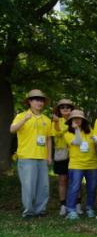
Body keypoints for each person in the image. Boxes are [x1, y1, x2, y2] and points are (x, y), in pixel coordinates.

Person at [10, 89, 53, 218]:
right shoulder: (21, 116)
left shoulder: (47, 119)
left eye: (41, 100)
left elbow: (48, 139)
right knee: (28, 186)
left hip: (42, 157)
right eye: (36, 100)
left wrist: (49, 156)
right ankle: (28, 211)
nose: (40, 102)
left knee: (43, 186)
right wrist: (24, 119)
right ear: (29, 101)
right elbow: (12, 129)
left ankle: (40, 210)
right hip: (26, 156)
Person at [63, 110, 97, 219]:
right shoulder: (67, 133)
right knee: (74, 187)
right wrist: (77, 129)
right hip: (76, 165)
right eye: (74, 118)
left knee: (92, 188)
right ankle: (71, 210)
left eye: (79, 118)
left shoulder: (91, 131)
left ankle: (89, 208)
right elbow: (78, 142)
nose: (77, 120)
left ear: (83, 120)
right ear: (70, 121)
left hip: (92, 164)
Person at [51, 98, 75, 216]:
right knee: (62, 180)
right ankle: (63, 205)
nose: (65, 109)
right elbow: (57, 133)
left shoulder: (76, 120)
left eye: (68, 107)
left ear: (72, 109)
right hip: (61, 154)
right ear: (59, 110)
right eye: (62, 107)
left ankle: (76, 204)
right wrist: (57, 123)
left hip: (75, 153)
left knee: (75, 180)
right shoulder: (55, 121)